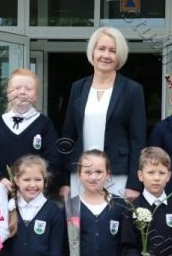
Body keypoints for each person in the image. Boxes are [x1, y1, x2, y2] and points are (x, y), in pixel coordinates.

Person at [59, 27, 146, 201]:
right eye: (101, 49)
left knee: (116, 218)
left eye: (112, 51)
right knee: (79, 218)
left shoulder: (133, 90)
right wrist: (64, 180)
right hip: (80, 175)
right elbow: (68, 136)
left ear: (119, 56)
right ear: (93, 52)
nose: (106, 55)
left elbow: (138, 140)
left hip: (117, 176)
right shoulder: (78, 87)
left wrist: (134, 184)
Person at [0, 68, 62, 191]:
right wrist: (0, 178)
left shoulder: (44, 124)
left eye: (28, 89)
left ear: (36, 96)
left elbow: (53, 160)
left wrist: (33, 182)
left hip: (33, 191)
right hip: (0, 190)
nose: (22, 92)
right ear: (8, 93)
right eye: (17, 88)